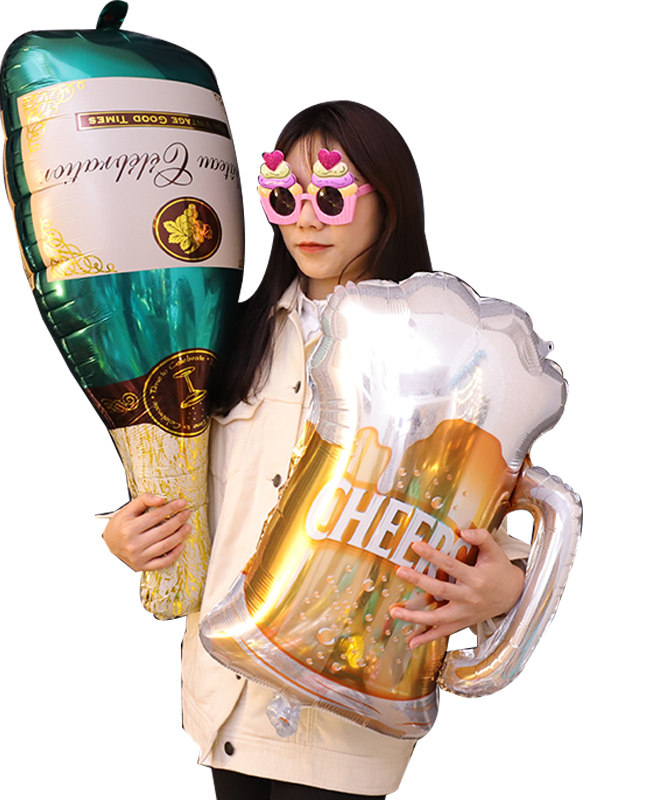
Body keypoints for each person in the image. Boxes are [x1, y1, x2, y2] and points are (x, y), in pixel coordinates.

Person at [102, 101, 529, 799]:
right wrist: (128, 532)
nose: (305, 219)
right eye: (285, 197)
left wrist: (505, 589)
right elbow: (189, 482)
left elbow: (486, 506)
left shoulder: (448, 353)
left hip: (346, 711)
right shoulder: (225, 337)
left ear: (388, 201)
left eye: (330, 196)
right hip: (224, 698)